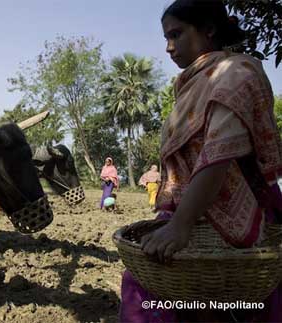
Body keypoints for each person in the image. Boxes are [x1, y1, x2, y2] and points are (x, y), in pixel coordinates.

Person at [120, 0, 282, 322]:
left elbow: (219, 153)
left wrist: (180, 226)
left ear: (208, 30)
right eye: (166, 37)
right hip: (191, 208)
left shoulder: (235, 73)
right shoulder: (188, 86)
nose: (168, 47)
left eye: (177, 34)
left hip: (237, 212)